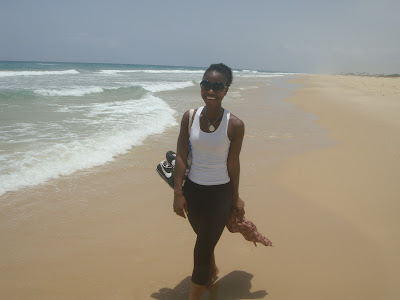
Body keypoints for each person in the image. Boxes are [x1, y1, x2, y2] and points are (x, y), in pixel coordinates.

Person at [173, 63, 245, 300]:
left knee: (201, 250)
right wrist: (178, 193)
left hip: (219, 194)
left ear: (226, 90)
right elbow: (181, 155)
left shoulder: (234, 124)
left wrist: (235, 198)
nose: (210, 90)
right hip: (193, 192)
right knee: (204, 240)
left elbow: (233, 164)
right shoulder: (189, 117)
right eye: (206, 84)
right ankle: (212, 271)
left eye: (217, 86)